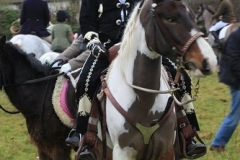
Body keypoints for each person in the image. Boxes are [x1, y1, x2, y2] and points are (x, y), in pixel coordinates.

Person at [53, 0, 206, 159]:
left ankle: (188, 133)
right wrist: (93, 42)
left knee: (182, 79)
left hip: (140, 46)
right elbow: (87, 21)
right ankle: (84, 135)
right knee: (86, 79)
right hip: (106, 45)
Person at [210, 27, 240, 152]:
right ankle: (217, 143)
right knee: (235, 114)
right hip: (237, 81)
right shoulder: (235, 37)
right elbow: (234, 62)